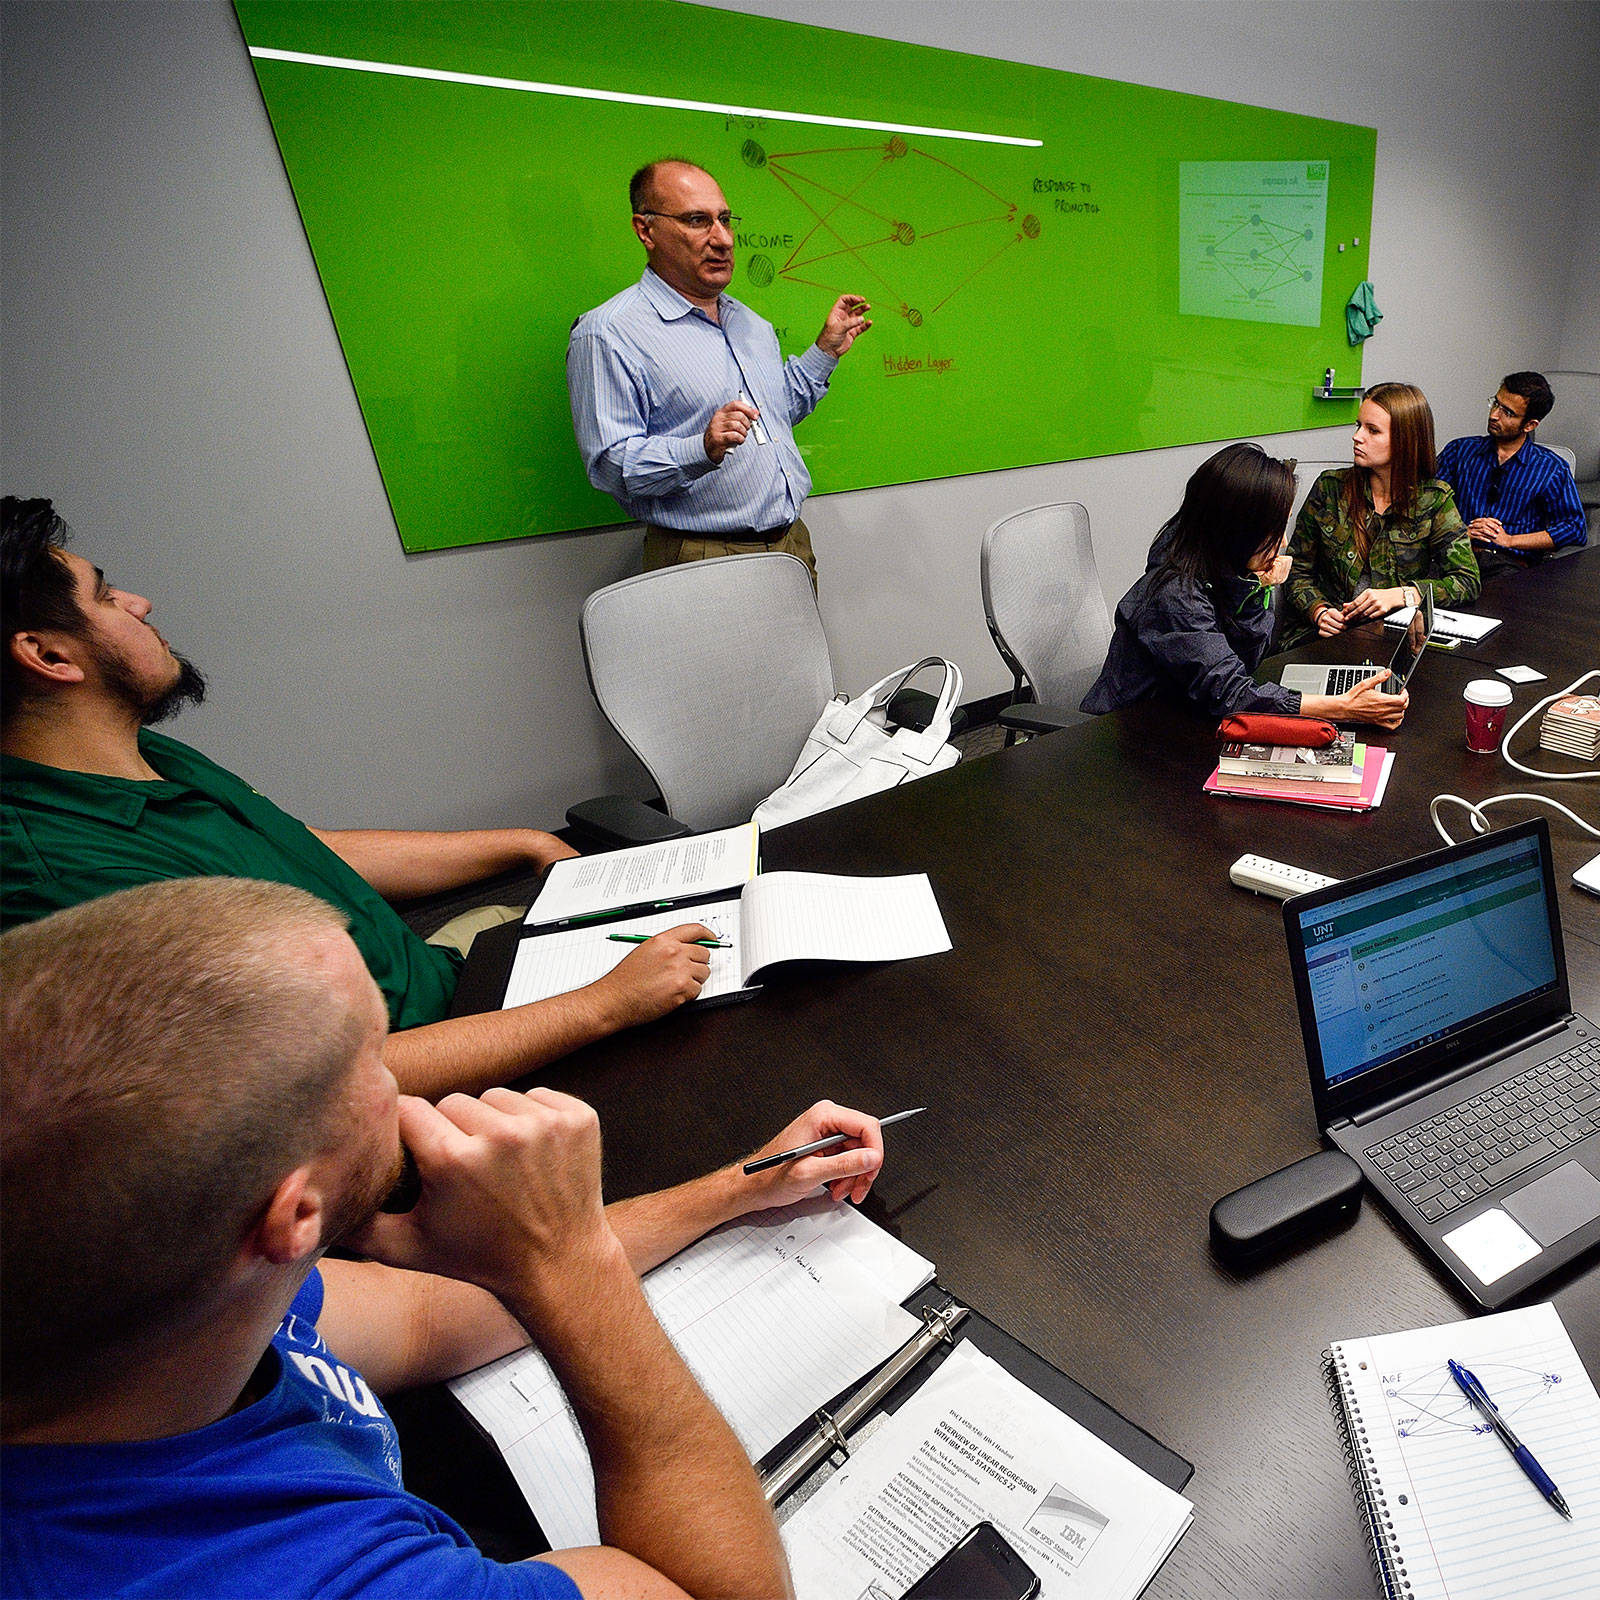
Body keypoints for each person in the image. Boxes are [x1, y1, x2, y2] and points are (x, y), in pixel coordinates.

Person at [1, 876, 890, 1599]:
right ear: (291, 1220)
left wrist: (732, 1191)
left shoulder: (155, 1292)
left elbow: (430, 1320)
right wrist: (574, 1267)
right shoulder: (279, 1574)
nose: (402, 1088)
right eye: (372, 1060)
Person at [0, 497, 714, 1100]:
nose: (138, 602)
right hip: (424, 1075)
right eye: (104, 595)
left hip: (437, 976)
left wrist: (520, 841)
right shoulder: (61, 881)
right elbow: (330, 1079)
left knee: (699, 924)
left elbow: (297, 849)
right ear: (50, 656)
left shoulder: (132, 751)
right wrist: (603, 1006)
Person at [568, 159, 872, 586]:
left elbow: (770, 413)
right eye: (698, 221)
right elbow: (610, 464)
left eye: (725, 220)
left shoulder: (749, 322)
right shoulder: (609, 333)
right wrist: (700, 448)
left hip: (791, 547)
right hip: (700, 557)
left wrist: (824, 351)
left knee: (797, 658)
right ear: (646, 230)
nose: (723, 239)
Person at [1080, 442, 1408, 726]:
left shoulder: (1226, 566)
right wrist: (1343, 708)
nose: (1282, 543)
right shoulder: (1176, 593)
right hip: (1130, 734)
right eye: (1273, 531)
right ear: (1237, 529)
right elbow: (1232, 692)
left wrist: (1255, 586)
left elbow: (1244, 663)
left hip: (1188, 718)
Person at [1284, 381, 1480, 650]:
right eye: (1358, 426)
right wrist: (1317, 610)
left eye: (1373, 430)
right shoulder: (1330, 488)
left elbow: (1466, 580)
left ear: (1405, 441)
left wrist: (1403, 595)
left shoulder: (1433, 499)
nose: (1357, 437)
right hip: (1324, 635)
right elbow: (1295, 568)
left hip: (1393, 638)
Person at [1435, 371, 1587, 583]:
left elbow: (1574, 529)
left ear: (1530, 425)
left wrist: (1510, 540)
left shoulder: (1551, 469)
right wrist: (1459, 532)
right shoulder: (1460, 450)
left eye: (1508, 412)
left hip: (1508, 565)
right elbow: (1426, 505)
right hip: (1454, 557)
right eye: (1495, 404)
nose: (1494, 415)